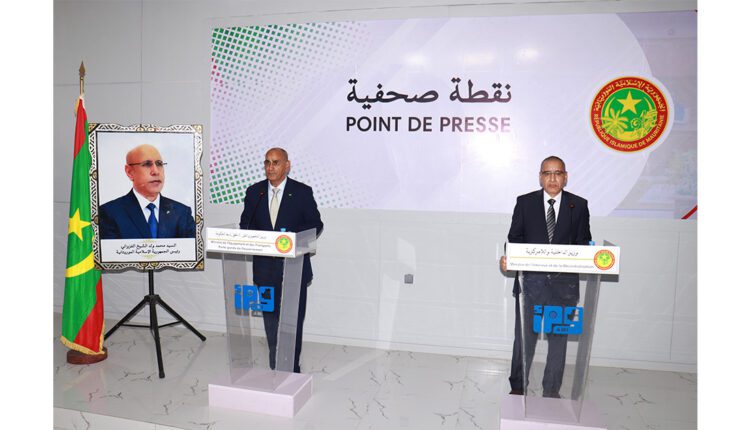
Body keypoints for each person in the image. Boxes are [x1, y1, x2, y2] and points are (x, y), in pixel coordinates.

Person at [500, 155, 591, 398]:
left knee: (558, 340)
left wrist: (587, 255)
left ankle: (551, 391)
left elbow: (584, 242)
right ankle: (518, 387)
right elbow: (514, 239)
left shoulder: (578, 205)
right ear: (540, 177)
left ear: (565, 177)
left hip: (564, 287)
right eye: (547, 173)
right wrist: (509, 257)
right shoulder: (525, 203)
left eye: (558, 173)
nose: (552, 178)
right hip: (530, 284)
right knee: (524, 340)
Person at [239, 147, 324, 373]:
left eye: (276, 162)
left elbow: (315, 223)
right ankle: (275, 364)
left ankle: (291, 366)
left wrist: (293, 240)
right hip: (264, 269)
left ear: (287, 165)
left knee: (292, 320)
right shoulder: (254, 192)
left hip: (294, 267)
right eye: (267, 162)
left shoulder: (302, 192)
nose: (270, 167)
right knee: (271, 319)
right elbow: (245, 224)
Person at [99, 144, 196, 240]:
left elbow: (191, 249)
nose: (156, 171)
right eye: (147, 164)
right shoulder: (110, 213)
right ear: (129, 172)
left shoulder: (182, 213)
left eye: (159, 164)